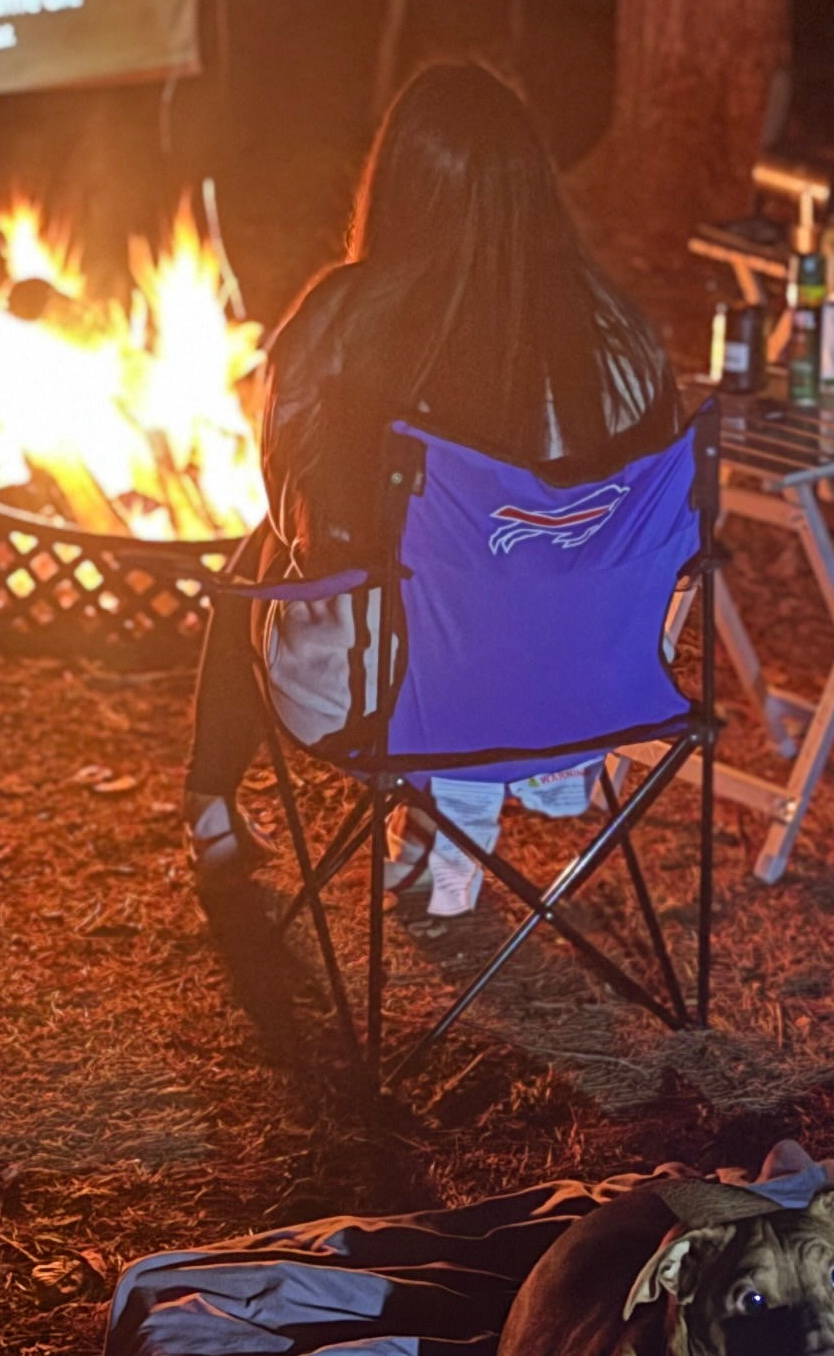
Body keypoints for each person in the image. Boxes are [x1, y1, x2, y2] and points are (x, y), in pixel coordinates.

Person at [183, 61, 676, 914]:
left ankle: (212, 806)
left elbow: (295, 520)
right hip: (598, 692)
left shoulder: (347, 318)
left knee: (256, 555)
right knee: (484, 575)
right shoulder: (619, 331)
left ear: (398, 183)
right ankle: (457, 808)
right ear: (534, 183)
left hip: (398, 702)